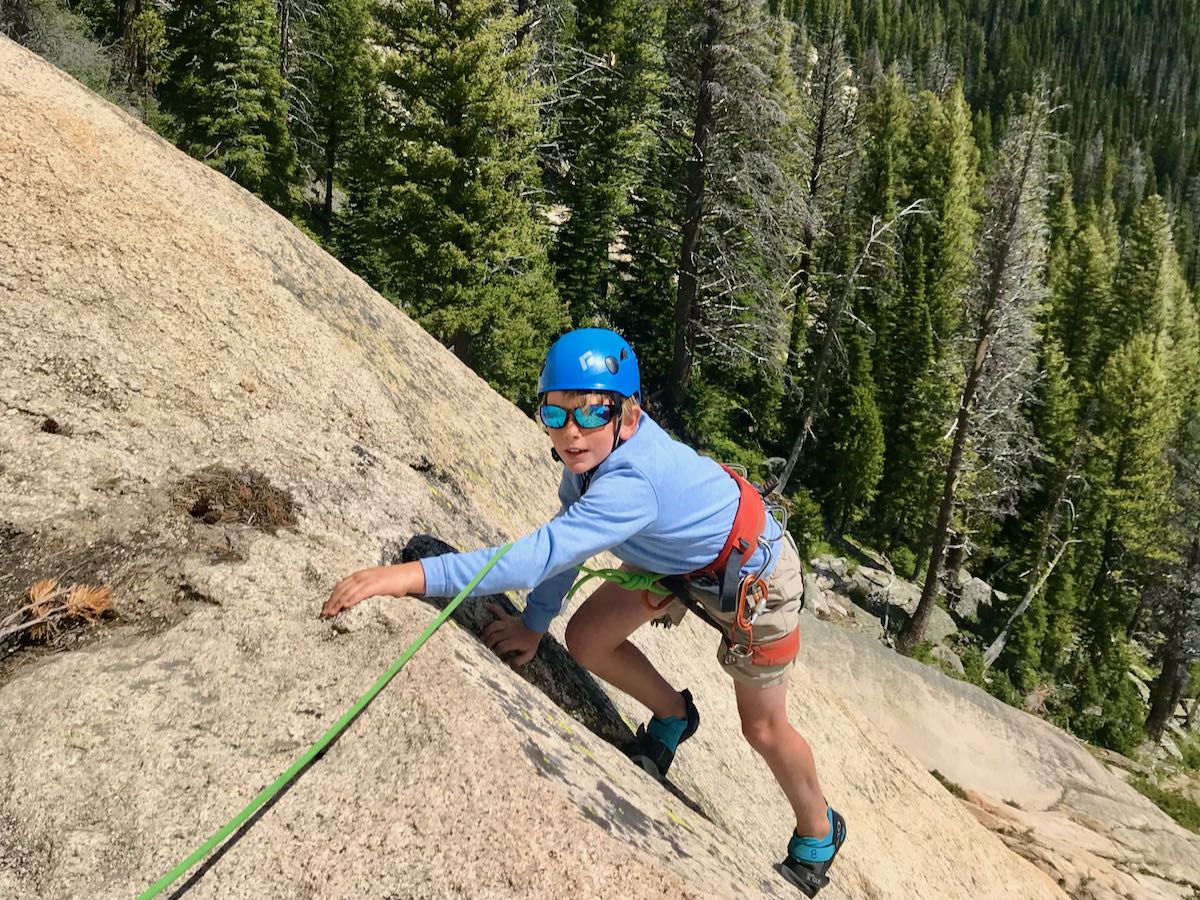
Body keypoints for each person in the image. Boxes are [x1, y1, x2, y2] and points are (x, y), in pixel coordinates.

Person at [321, 328, 846, 896]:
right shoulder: (589, 461)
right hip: (683, 565)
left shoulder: (632, 481)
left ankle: (820, 830)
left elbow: (540, 555)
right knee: (589, 639)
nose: (572, 433)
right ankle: (674, 717)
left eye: (592, 412)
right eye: (556, 411)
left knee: (762, 727)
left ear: (628, 413)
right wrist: (534, 623)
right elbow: (566, 550)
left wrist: (408, 578)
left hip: (755, 578)